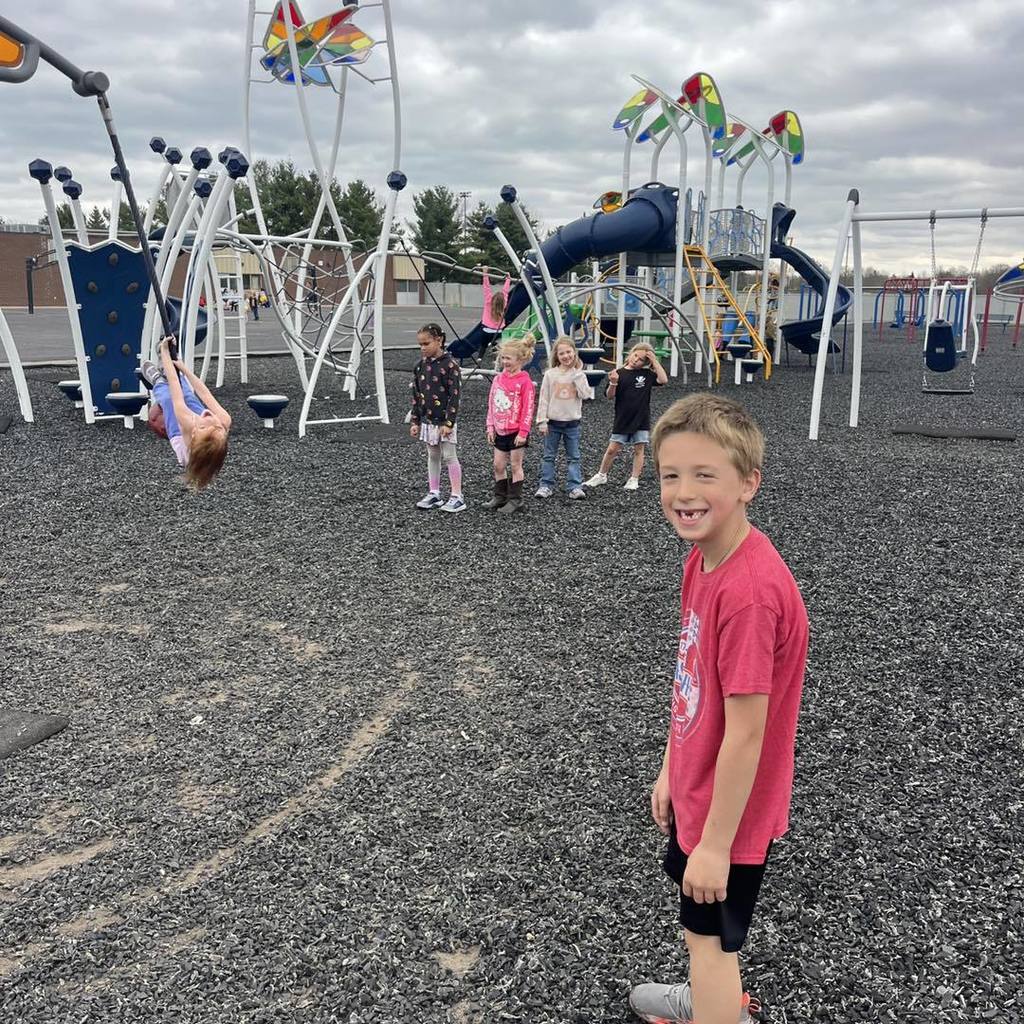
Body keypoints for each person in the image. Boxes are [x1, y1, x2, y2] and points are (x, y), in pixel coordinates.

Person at [629, 393, 808, 1024]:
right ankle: (711, 1000)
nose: (683, 492)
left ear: (749, 482)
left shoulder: (750, 594)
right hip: (697, 789)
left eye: (705, 475)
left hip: (726, 815)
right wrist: (669, 768)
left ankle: (716, 1007)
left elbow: (747, 734)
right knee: (697, 926)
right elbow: (690, 679)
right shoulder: (703, 560)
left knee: (710, 939)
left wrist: (715, 845)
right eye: (670, 475)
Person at [140, 337, 232, 491]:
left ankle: (157, 380)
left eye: (204, 427)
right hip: (198, 427)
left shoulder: (187, 424)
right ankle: (167, 368)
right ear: (223, 430)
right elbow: (205, 394)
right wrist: (182, 369)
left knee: (168, 399)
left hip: (179, 435)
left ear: (195, 432)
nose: (210, 419)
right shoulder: (223, 421)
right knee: (188, 394)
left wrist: (164, 353)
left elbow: (175, 392)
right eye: (216, 426)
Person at [585, 342, 667, 491]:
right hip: (622, 418)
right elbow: (609, 396)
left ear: (646, 363)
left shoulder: (647, 374)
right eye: (636, 355)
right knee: (612, 449)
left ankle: (634, 478)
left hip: (641, 418)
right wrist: (613, 382)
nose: (637, 360)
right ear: (631, 353)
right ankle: (601, 475)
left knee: (639, 448)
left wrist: (654, 361)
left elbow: (663, 380)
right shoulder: (619, 373)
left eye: (642, 359)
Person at [409, 323, 465, 513]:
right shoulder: (419, 367)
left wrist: (449, 422)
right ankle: (434, 492)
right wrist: (415, 420)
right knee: (433, 455)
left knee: (449, 456)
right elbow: (416, 395)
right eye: (420, 344)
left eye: (426, 343)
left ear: (439, 340)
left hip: (444, 422)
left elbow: (454, 396)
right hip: (428, 421)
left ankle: (457, 495)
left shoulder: (451, 366)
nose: (423, 348)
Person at [535, 337, 593, 500]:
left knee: (574, 456)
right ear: (556, 356)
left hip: (572, 424)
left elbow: (586, 394)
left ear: (574, 353)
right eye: (562, 353)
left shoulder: (579, 375)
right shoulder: (550, 375)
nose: (566, 356)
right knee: (548, 455)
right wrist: (542, 421)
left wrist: (577, 376)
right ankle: (546, 484)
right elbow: (544, 398)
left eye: (569, 352)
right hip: (552, 423)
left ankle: (574, 485)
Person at [485, 335, 536, 514]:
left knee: (515, 465)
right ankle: (500, 495)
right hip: (500, 429)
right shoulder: (498, 379)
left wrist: (523, 432)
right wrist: (490, 426)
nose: (504, 361)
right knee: (498, 464)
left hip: (516, 431)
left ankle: (516, 499)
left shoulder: (525, 382)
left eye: (508, 358)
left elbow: (528, 408)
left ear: (520, 359)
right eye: (503, 357)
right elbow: (491, 403)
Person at [480, 266, 511, 356]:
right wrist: (508, 279)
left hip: (486, 330)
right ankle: (496, 357)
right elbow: (505, 292)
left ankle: (479, 358)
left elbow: (486, 288)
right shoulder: (504, 304)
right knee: (496, 346)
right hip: (497, 332)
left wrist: (485, 273)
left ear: (493, 298)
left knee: (483, 345)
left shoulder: (488, 302)